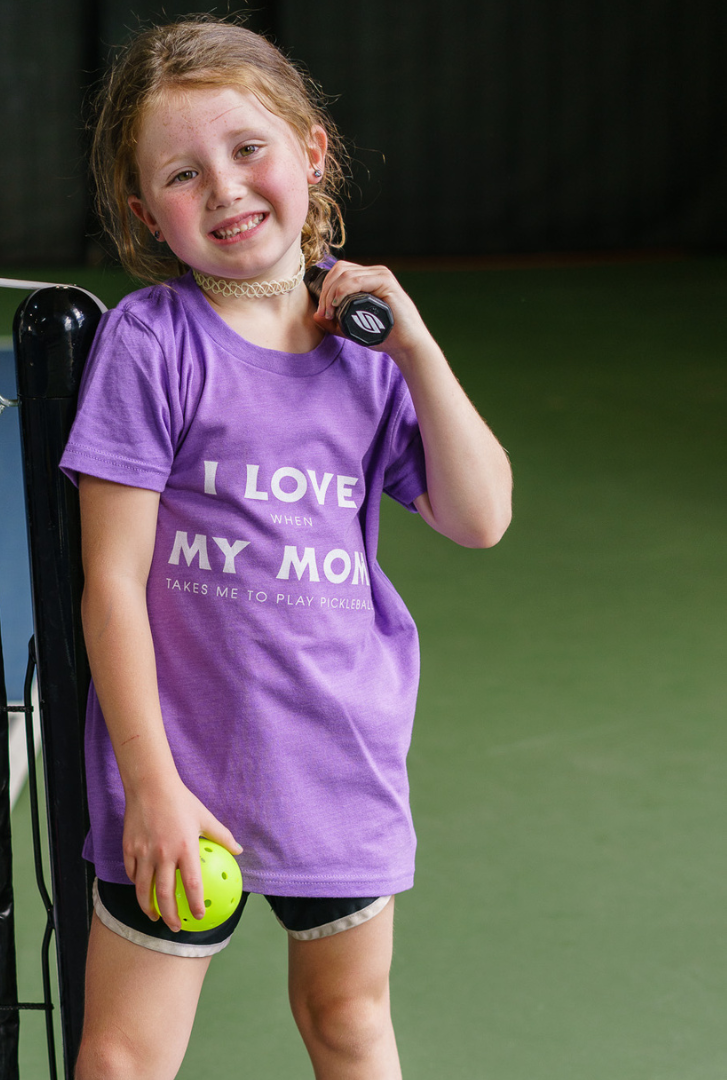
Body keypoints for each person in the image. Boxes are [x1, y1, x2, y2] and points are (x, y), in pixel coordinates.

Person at [59, 17, 512, 1080]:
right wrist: (152, 787)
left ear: (310, 152)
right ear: (143, 212)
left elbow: (479, 515)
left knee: (349, 1028)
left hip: (336, 762)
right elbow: (112, 583)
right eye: (182, 172)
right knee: (123, 1056)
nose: (224, 189)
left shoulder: (365, 345)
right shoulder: (153, 343)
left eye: (248, 150)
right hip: (180, 774)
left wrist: (418, 346)